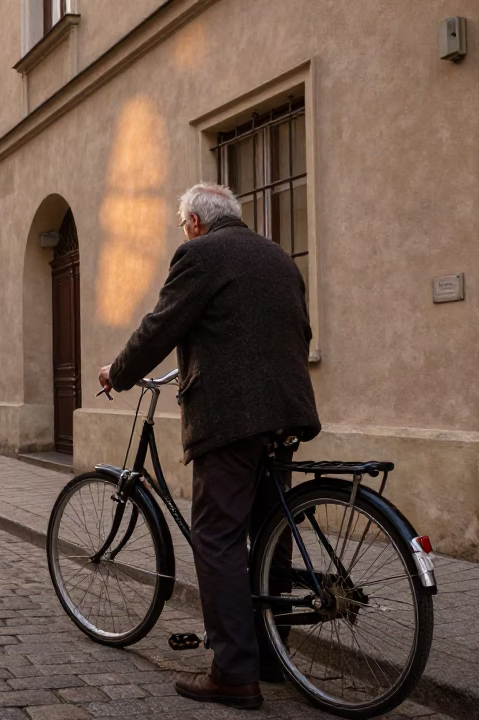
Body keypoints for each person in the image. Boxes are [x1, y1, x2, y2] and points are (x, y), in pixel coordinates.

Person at [99, 183, 320, 710]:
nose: (185, 233)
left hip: (230, 417)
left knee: (217, 537)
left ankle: (233, 672)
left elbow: (161, 326)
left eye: (184, 227)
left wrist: (120, 373)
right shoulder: (277, 258)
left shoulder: (199, 255)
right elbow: (300, 332)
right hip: (284, 412)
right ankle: (271, 655)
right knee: (271, 533)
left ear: (195, 223)